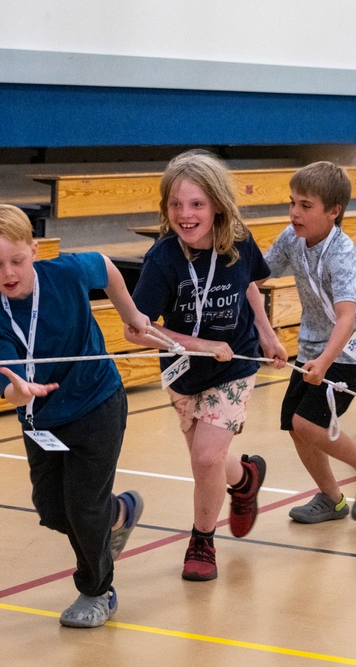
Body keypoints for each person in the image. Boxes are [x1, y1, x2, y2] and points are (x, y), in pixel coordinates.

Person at [0, 204, 150, 628]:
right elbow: (9, 391)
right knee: (53, 510)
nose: (9, 272)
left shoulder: (67, 274)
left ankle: (96, 591)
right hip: (42, 421)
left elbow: (107, 268)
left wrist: (132, 316)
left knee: (84, 511)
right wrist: (20, 390)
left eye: (17, 261)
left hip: (97, 403)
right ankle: (121, 513)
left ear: (34, 250)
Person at [125, 150, 287, 582]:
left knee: (206, 455)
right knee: (211, 462)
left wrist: (268, 335)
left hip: (235, 364)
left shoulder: (238, 240)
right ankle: (246, 477)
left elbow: (249, 284)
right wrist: (198, 343)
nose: (185, 214)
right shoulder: (162, 260)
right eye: (176, 205)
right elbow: (137, 330)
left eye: (196, 204)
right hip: (185, 371)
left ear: (217, 204)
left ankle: (201, 540)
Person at [264, 161, 356, 524]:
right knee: (296, 426)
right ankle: (332, 499)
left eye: (305, 206)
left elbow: (346, 318)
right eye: (292, 202)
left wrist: (324, 361)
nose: (294, 212)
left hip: (347, 350)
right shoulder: (291, 238)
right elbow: (259, 271)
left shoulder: (342, 254)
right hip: (312, 347)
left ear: (334, 211)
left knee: (310, 424)